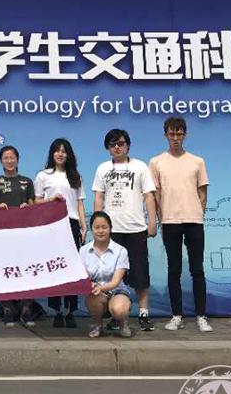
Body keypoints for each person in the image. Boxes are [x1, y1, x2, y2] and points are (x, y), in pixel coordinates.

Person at [149, 116, 212, 333]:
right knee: (174, 269)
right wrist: (161, 218)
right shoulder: (156, 162)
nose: (175, 138)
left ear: (185, 135)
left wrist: (198, 213)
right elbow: (156, 195)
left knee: (197, 270)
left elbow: (202, 193)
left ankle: (201, 316)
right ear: (165, 135)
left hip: (194, 221)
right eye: (171, 134)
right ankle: (176, 315)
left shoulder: (197, 161)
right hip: (170, 222)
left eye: (179, 133)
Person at [92, 128, 158, 332]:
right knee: (113, 276)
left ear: (128, 145)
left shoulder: (140, 166)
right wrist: (97, 224)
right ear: (107, 148)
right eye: (113, 144)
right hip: (112, 230)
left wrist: (152, 221)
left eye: (120, 143)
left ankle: (144, 314)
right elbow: (99, 197)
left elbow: (148, 195)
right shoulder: (103, 168)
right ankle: (115, 315)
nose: (117, 147)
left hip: (136, 228)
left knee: (140, 274)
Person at [35, 137, 86, 328]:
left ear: (68, 154)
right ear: (52, 153)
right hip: (51, 225)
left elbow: (79, 203)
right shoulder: (43, 175)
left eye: (64, 151)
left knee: (71, 268)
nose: (60, 154)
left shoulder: (76, 176)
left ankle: (70, 311)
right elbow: (36, 202)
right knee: (55, 268)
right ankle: (56, 310)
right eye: (57, 150)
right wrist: (51, 200)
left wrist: (83, 226)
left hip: (71, 223)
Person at [0, 144, 37, 327]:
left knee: (28, 271)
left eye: (12, 157)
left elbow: (33, 206)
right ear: (0, 161)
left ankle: (26, 309)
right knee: (5, 271)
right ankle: (7, 309)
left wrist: (28, 207)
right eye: (5, 158)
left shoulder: (27, 181)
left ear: (17, 160)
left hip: (25, 235)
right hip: (3, 235)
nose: (9, 161)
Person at [81, 210, 137, 338]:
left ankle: (123, 323)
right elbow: (83, 277)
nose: (100, 231)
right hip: (96, 292)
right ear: (91, 229)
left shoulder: (121, 251)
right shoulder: (83, 251)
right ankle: (98, 325)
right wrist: (90, 285)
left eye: (104, 227)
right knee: (92, 299)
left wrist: (100, 288)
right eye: (97, 227)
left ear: (110, 228)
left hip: (116, 290)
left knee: (119, 310)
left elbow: (116, 281)